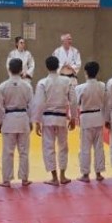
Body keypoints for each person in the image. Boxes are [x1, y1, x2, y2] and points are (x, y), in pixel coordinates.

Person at [32, 56, 77, 186]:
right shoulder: (66, 81)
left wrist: (37, 121)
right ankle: (63, 175)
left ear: (47, 67)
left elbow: (39, 103)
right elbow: (73, 100)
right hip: (62, 117)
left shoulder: (42, 82)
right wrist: (73, 117)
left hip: (47, 118)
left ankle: (54, 177)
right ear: (58, 66)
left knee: (48, 147)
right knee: (63, 146)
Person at [0, 57, 34, 187]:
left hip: (9, 119)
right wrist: (31, 120)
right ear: (22, 70)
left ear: (9, 69)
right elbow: (31, 105)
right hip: (23, 118)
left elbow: (0, 107)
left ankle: (6, 180)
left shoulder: (3, 86)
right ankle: (24, 179)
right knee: (24, 151)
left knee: (8, 152)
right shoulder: (27, 86)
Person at [76, 61, 106, 182]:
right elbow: (105, 102)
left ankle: (85, 174)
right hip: (98, 117)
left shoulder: (80, 88)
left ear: (86, 72)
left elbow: (76, 104)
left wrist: (73, 117)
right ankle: (98, 173)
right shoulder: (102, 86)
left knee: (85, 147)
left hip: (86, 118)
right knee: (99, 147)